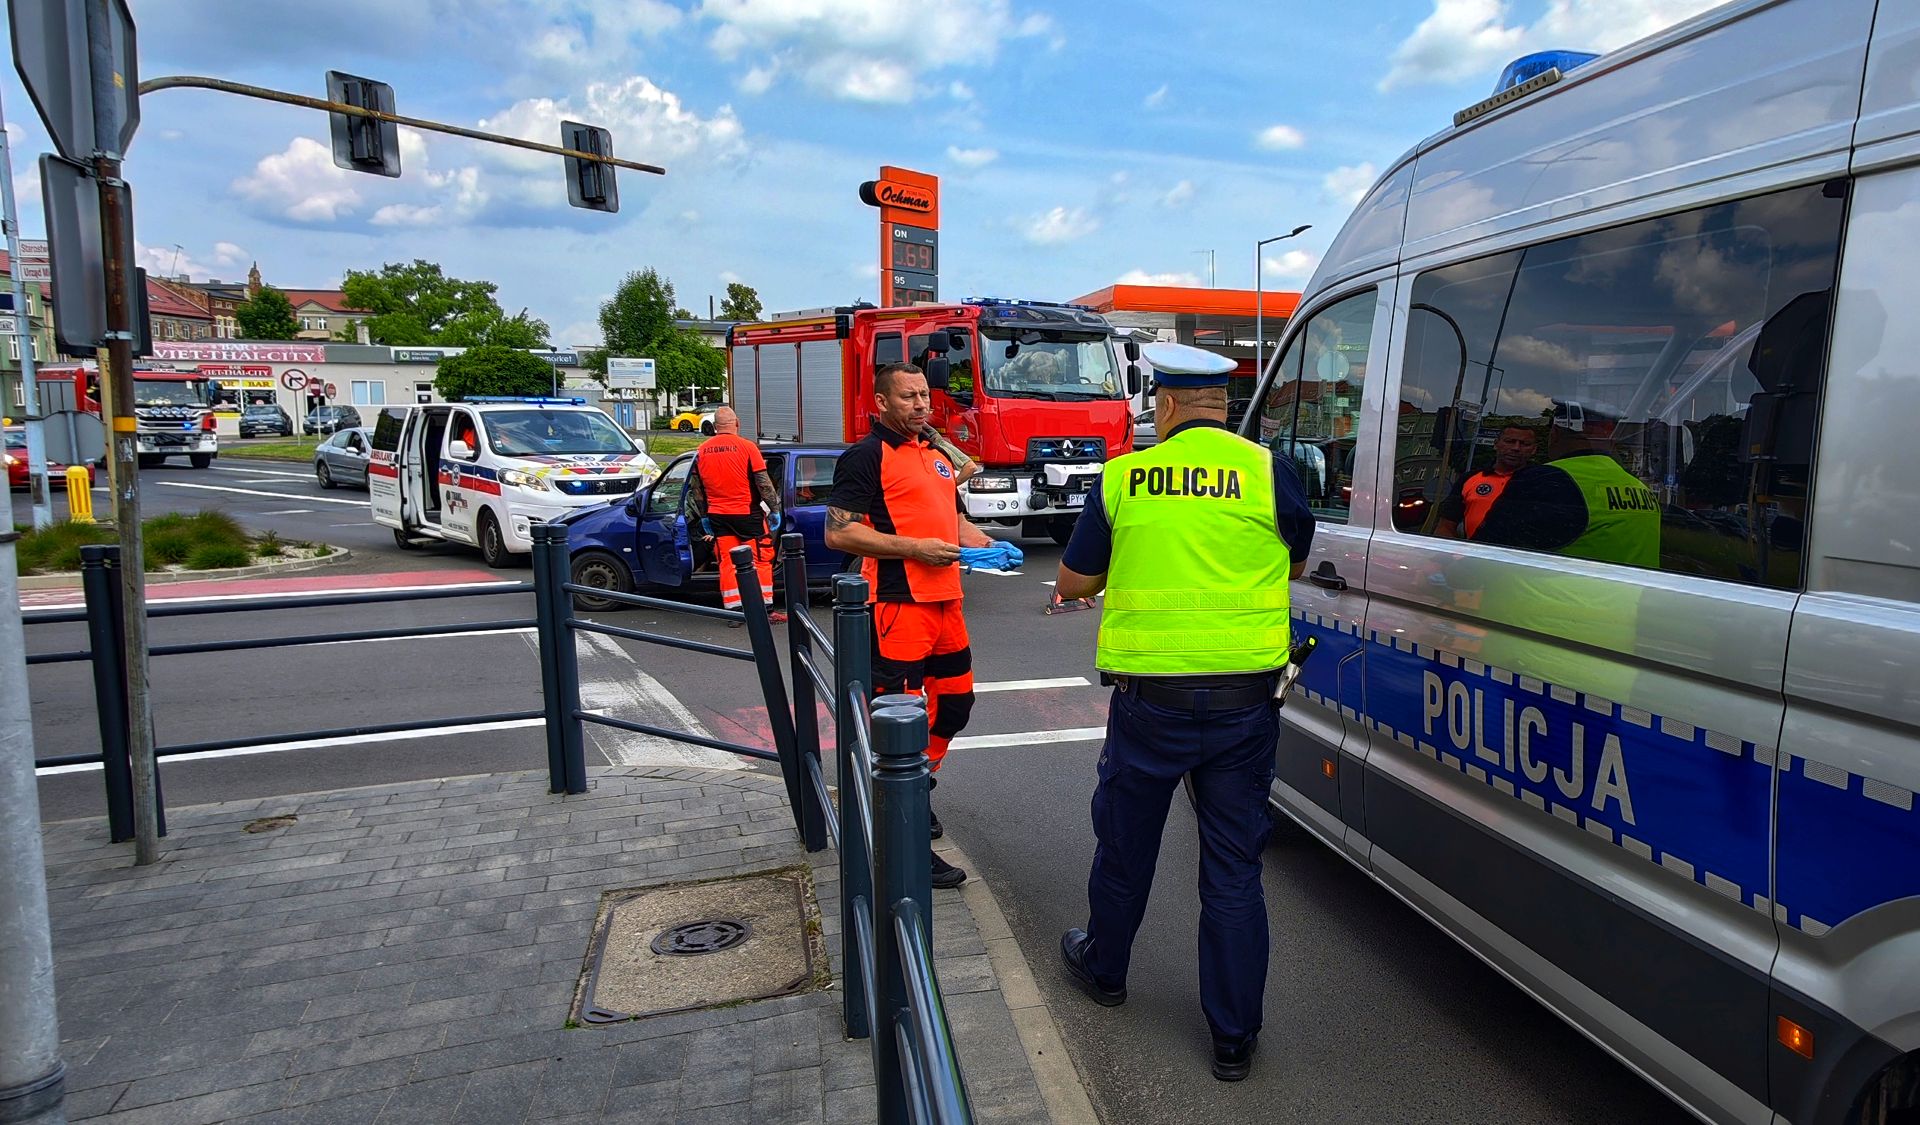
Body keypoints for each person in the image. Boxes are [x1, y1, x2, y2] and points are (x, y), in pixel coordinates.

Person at [1054, 341, 1315, 1083]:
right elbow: (1294, 560)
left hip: (1150, 706)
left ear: (1165, 405)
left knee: (1125, 846)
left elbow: (1073, 582)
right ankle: (1233, 1039)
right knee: (1233, 868)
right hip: (1245, 706)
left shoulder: (1123, 477)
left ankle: (1106, 970)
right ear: (1223, 408)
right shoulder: (1268, 470)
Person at [826, 362, 1003, 889]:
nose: (922, 404)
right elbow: (840, 534)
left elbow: (952, 518)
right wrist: (914, 549)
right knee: (898, 724)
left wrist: (983, 542)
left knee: (956, 704)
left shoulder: (936, 453)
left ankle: (915, 789)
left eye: (924, 394)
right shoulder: (865, 455)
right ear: (881, 403)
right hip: (897, 604)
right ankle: (900, 841)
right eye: (908, 397)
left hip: (947, 601)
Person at [1471, 404, 1660, 567]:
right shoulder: (1638, 487)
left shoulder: (1545, 480)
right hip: (1630, 599)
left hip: (1544, 599)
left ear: (1554, 434)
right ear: (1610, 438)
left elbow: (1485, 553)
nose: (1516, 448)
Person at [688, 407, 785, 625]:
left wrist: (704, 516)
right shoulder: (747, 447)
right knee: (760, 558)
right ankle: (765, 609)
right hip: (747, 514)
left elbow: (696, 488)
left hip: (718, 516)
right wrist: (774, 509)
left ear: (715, 427)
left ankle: (734, 612)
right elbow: (763, 483)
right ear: (737, 423)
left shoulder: (702, 450)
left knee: (728, 562)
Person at [1433, 424, 1539, 539]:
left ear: (1534, 449)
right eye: (1509, 441)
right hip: (1473, 549)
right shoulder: (1470, 479)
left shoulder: (1541, 482)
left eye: (1525, 444)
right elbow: (1445, 526)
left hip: (1522, 550)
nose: (1516, 448)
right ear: (1496, 444)